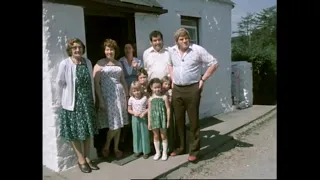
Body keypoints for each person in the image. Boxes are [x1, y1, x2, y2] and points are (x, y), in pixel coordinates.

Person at [168, 28, 219, 162]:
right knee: (178, 120)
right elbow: (170, 65)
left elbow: (214, 63)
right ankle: (180, 148)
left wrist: (203, 79)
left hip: (192, 88)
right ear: (177, 41)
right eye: (181, 39)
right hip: (177, 89)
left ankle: (194, 151)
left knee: (193, 121)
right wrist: (173, 80)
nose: (185, 41)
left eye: (186, 38)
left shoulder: (197, 50)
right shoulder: (172, 51)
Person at [54, 38, 99, 173]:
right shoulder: (65, 64)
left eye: (79, 47)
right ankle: (81, 159)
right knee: (75, 133)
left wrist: (93, 99)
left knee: (87, 131)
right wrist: (62, 101)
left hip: (87, 102)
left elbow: (90, 82)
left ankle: (87, 157)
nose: (77, 50)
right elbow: (59, 83)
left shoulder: (88, 62)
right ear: (70, 50)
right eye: (74, 48)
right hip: (72, 103)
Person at [93, 39, 129, 159]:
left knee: (119, 123)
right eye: (107, 49)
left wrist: (127, 95)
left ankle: (116, 148)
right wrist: (100, 99)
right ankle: (107, 146)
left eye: (111, 49)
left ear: (115, 51)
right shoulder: (99, 64)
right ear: (104, 51)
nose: (109, 52)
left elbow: (123, 80)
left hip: (120, 95)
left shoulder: (118, 64)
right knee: (114, 124)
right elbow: (96, 83)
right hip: (107, 96)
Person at [148, 78, 171, 161]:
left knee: (163, 135)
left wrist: (168, 120)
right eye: (155, 87)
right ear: (151, 87)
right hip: (154, 119)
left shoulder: (164, 97)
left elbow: (168, 109)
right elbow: (149, 111)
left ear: (161, 87)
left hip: (162, 119)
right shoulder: (150, 99)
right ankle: (158, 152)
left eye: (159, 87)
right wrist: (149, 122)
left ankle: (164, 152)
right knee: (156, 136)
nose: (157, 89)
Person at [127, 81, 150, 159]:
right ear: (132, 91)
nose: (136, 92)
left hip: (143, 118)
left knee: (144, 134)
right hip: (135, 118)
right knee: (136, 134)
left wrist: (144, 112)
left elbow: (149, 107)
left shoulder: (145, 98)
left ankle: (146, 151)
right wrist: (133, 113)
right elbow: (129, 109)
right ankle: (137, 150)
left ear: (141, 89)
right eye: (134, 91)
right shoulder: (131, 99)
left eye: (138, 90)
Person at [161, 76, 175, 154]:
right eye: (165, 84)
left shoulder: (169, 92)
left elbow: (170, 101)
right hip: (162, 112)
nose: (167, 86)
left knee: (169, 129)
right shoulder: (160, 92)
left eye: (168, 84)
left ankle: (170, 147)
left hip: (168, 111)